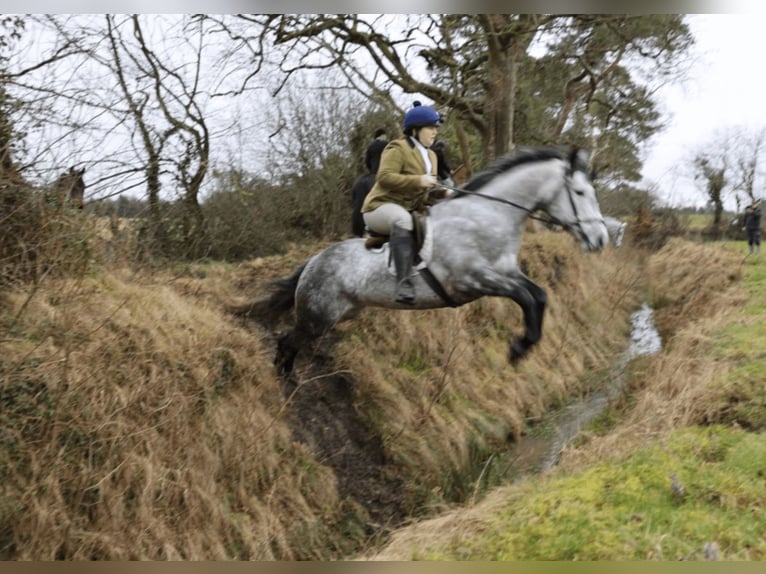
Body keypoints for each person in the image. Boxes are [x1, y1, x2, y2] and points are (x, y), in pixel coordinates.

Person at [362, 101, 442, 305]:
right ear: (415, 130)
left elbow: (429, 188)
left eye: (436, 128)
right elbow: (384, 177)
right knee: (403, 220)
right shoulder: (397, 148)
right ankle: (403, 284)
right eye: (430, 128)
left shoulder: (432, 155)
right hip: (379, 207)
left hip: (411, 208)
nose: (435, 132)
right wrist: (418, 180)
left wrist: (444, 193)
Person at [351, 128, 388, 237]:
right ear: (383, 135)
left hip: (372, 172)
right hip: (384, 173)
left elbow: (367, 161)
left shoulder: (370, 146)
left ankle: (360, 229)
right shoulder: (388, 145)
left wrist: (372, 170)